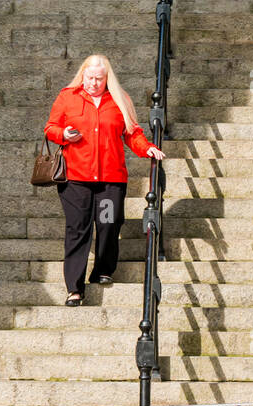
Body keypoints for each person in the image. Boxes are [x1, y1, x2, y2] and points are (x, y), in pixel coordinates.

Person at [44, 54, 164, 306]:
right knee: (78, 230)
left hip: (110, 180)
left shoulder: (119, 99)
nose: (94, 83)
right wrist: (64, 134)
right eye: (90, 77)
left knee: (109, 223)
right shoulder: (68, 96)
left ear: (107, 78)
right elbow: (51, 128)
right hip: (76, 179)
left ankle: (102, 270)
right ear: (83, 75)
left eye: (99, 79)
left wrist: (147, 148)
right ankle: (74, 289)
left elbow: (133, 134)